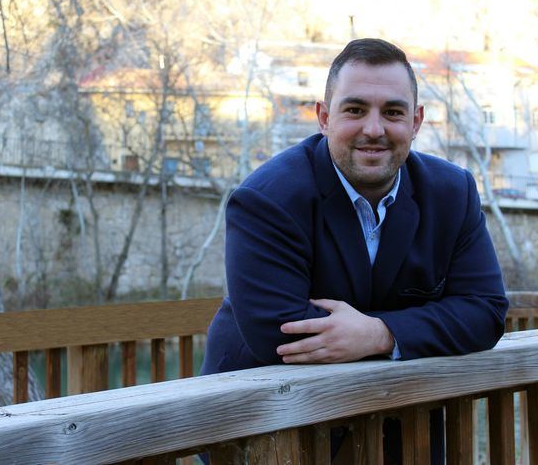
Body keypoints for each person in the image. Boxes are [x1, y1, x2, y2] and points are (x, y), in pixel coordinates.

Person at [200, 38, 508, 463]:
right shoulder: (268, 198)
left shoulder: (452, 192)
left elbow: (486, 310)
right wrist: (413, 327)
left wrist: (381, 333)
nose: (375, 129)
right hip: (271, 426)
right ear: (324, 117)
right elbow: (278, 331)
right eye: (355, 109)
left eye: (393, 112)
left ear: (416, 121)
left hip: (401, 428)